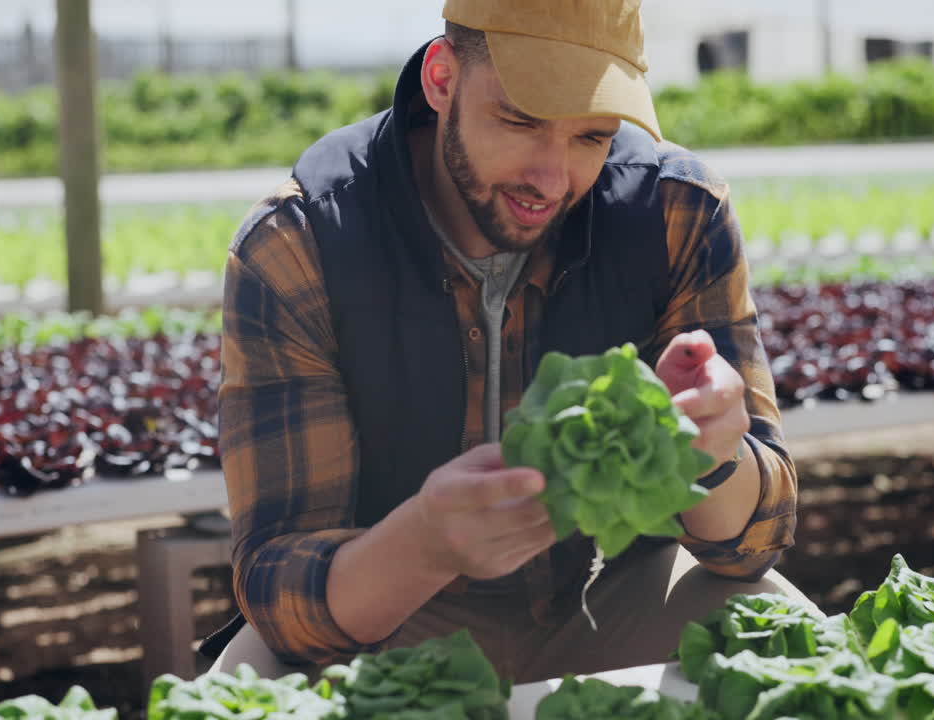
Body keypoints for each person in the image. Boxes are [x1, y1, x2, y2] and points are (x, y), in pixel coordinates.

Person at [203, 0, 806, 684]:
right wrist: (427, 542)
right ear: (441, 78)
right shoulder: (299, 244)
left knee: (794, 650)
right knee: (241, 688)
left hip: (614, 595)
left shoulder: (677, 211)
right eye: (520, 120)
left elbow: (758, 538)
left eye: (593, 136)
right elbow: (282, 590)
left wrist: (713, 454)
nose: (552, 180)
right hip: (388, 615)